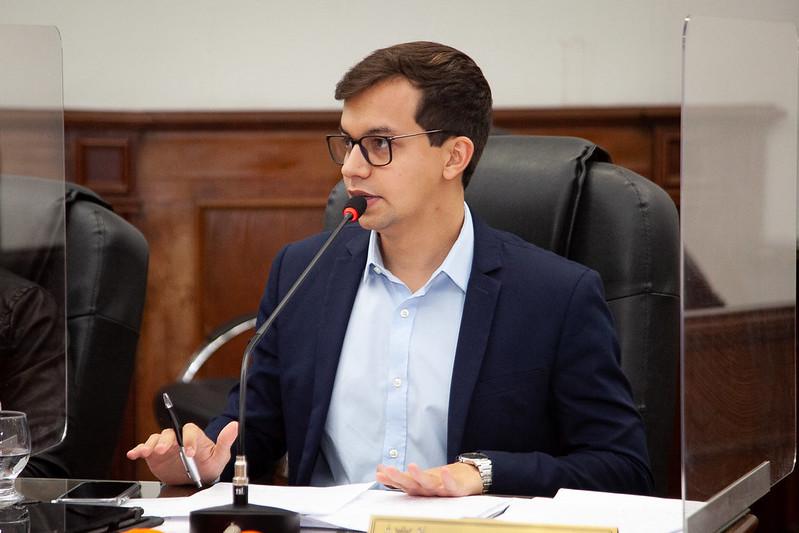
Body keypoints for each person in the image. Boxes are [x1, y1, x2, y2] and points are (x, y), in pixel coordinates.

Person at [128, 41, 653, 497]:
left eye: (379, 144)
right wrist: (204, 462)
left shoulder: (555, 295)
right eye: (347, 142)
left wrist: (484, 473)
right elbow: (253, 435)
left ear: (454, 157)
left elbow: (623, 468)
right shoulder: (302, 272)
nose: (351, 168)